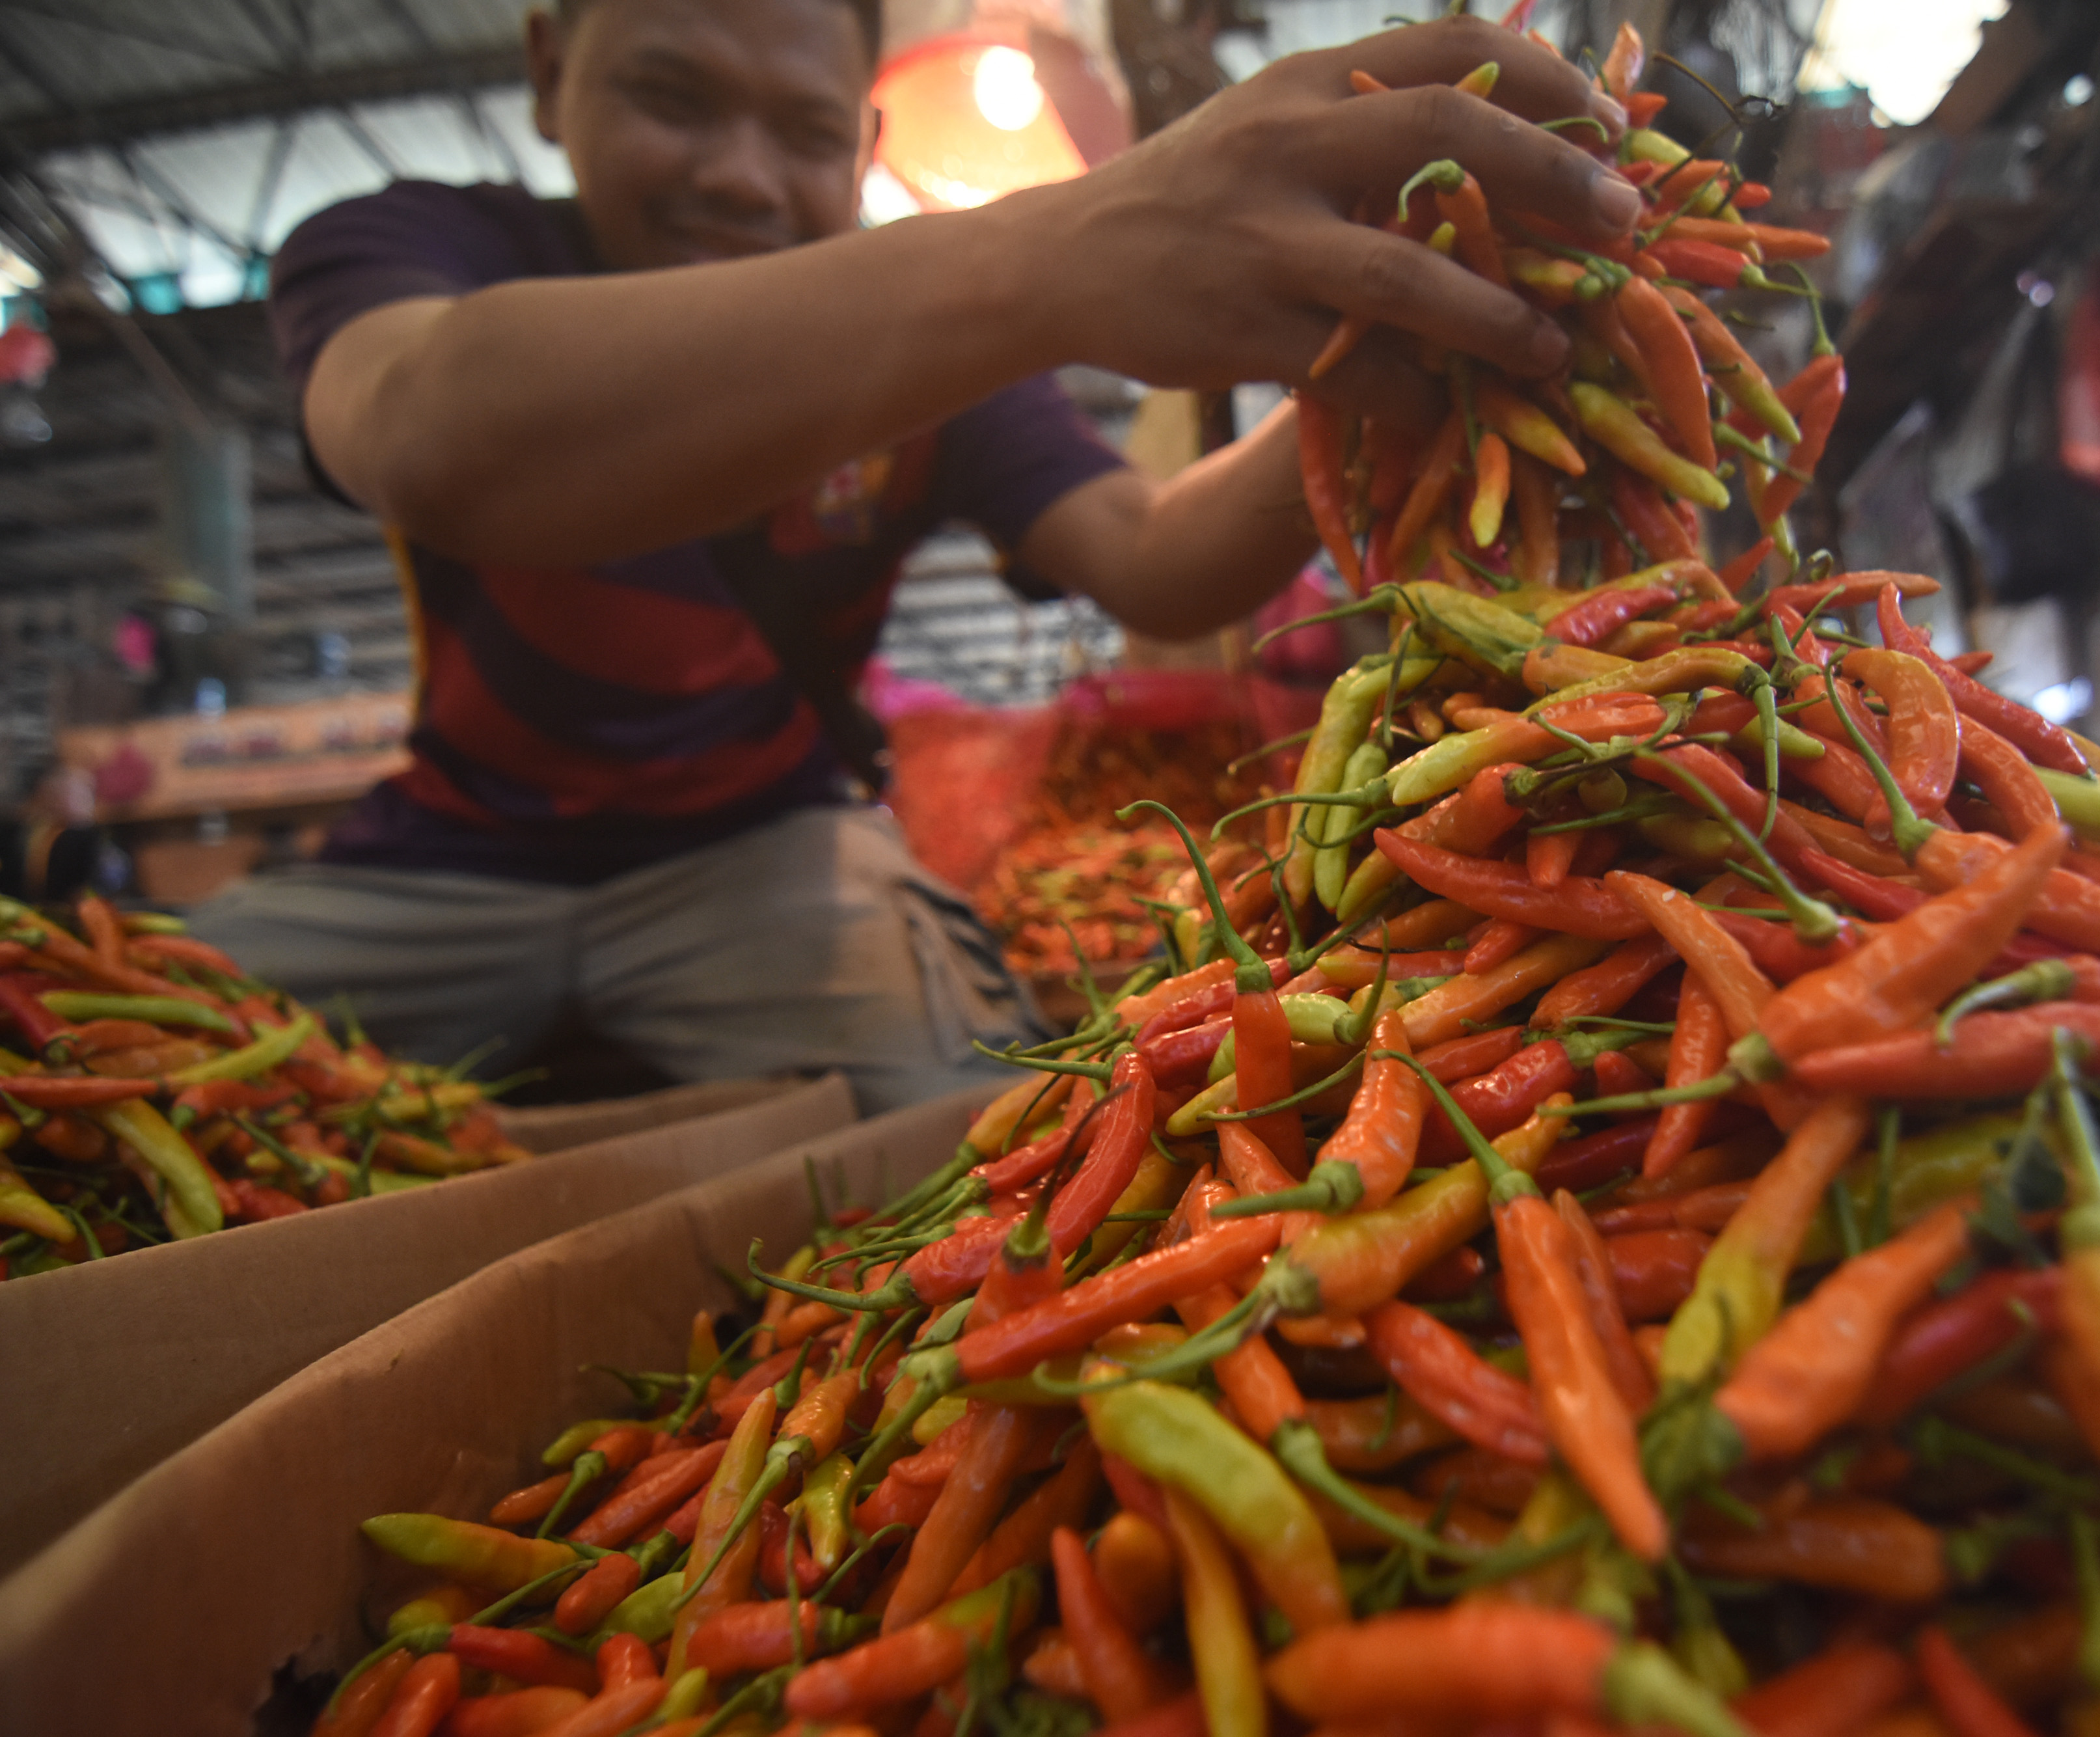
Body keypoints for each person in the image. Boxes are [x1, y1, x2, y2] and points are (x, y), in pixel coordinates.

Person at [193, 0, 1642, 1109]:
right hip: (449, 858)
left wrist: (1369, 362)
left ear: (866, 147)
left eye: (806, 132)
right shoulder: (418, 248)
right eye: (669, 95)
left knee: (970, 1138)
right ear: (546, 70)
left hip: (763, 852)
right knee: (118, 1049)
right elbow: (434, 424)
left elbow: (1152, 558)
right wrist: (1058, 250)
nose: (741, 176)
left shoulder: (933, 362)